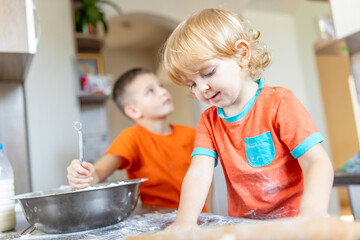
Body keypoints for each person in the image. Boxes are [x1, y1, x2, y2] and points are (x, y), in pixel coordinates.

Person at [162, 8, 334, 226]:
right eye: (192, 84)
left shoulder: (279, 102)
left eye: (208, 73)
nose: (201, 88)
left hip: (294, 224)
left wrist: (311, 214)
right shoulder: (209, 121)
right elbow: (198, 173)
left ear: (242, 54)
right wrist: (184, 223)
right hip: (245, 228)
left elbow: (316, 161)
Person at [67, 68, 211, 211]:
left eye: (160, 86)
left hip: (197, 220)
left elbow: (206, 180)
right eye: (150, 91)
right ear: (133, 110)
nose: (163, 92)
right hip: (160, 223)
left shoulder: (191, 134)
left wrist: (207, 212)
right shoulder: (132, 137)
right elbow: (99, 172)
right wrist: (85, 174)